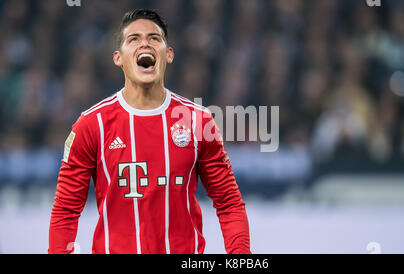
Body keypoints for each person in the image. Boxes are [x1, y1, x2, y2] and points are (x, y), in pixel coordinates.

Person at [48, 9, 251, 254]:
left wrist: (241, 257)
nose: (145, 42)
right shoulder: (92, 125)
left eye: (154, 38)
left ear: (169, 55)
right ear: (118, 58)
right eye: (133, 39)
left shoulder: (199, 121)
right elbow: (66, 210)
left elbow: (229, 202)